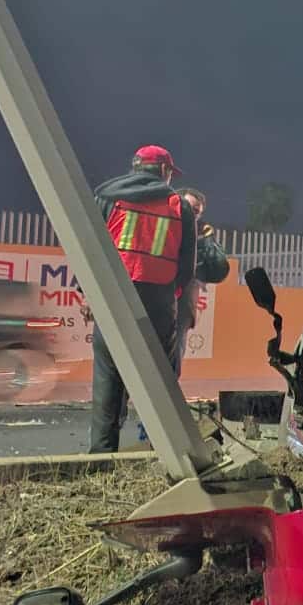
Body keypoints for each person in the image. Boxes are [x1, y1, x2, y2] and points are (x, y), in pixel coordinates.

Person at [88, 145, 196, 452]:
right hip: (159, 304)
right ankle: (161, 452)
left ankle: (101, 456)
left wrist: (91, 294)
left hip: (113, 299)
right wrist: (169, 295)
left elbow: (90, 248)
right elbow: (185, 267)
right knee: (162, 379)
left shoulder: (106, 196)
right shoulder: (179, 205)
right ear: (163, 171)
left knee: (108, 379)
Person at [168, 188, 231, 376]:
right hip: (154, 296)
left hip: (182, 304)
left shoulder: (203, 232)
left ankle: (167, 396)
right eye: (188, 207)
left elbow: (219, 270)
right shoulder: (162, 224)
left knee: (174, 354)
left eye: (197, 212)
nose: (192, 214)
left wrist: (206, 241)